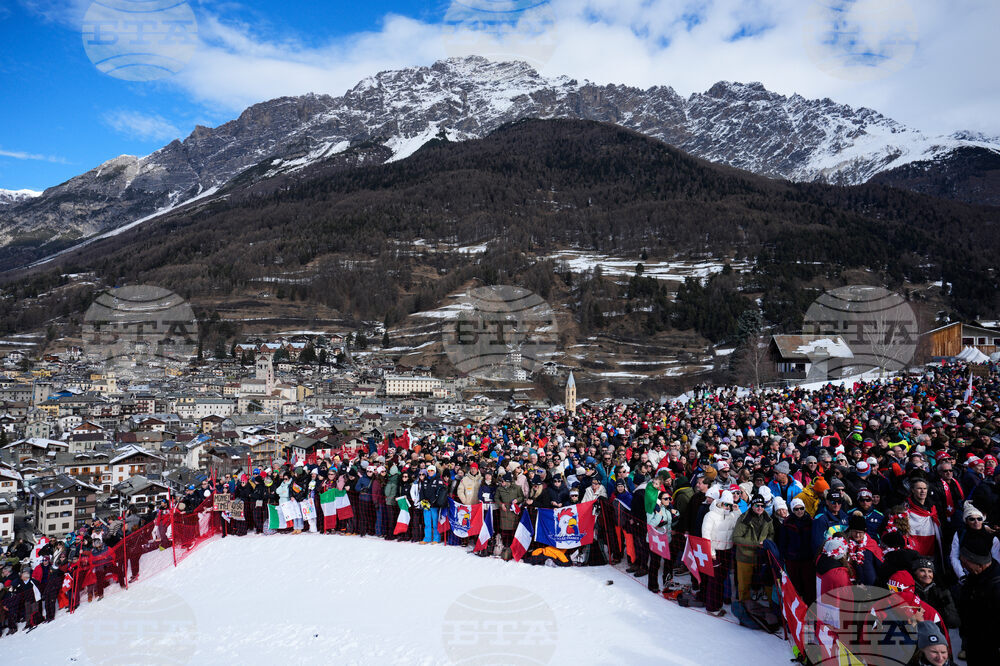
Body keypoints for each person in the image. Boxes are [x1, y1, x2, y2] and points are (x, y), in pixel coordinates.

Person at [956, 529, 1000, 666]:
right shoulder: (974, 577)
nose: (962, 566)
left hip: (990, 650)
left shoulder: (996, 586)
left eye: (965, 562)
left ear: (978, 564)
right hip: (974, 644)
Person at [701, 489, 739, 615]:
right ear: (720, 502)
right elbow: (706, 534)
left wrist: (736, 510)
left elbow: (738, 524)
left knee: (722, 578)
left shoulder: (731, 515)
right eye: (725, 504)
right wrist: (711, 552)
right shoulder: (711, 515)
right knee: (714, 579)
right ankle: (712, 607)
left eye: (729, 505)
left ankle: (718, 603)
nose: (727, 507)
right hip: (715, 551)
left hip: (727, 550)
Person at [732, 494, 774, 604]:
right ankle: (744, 606)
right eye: (757, 505)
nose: (760, 508)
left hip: (761, 557)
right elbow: (736, 538)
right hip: (745, 557)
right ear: (752, 506)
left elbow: (771, 533)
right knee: (744, 585)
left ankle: (773, 608)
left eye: (762, 505)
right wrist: (756, 544)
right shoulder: (744, 518)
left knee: (766, 583)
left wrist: (766, 543)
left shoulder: (767, 519)